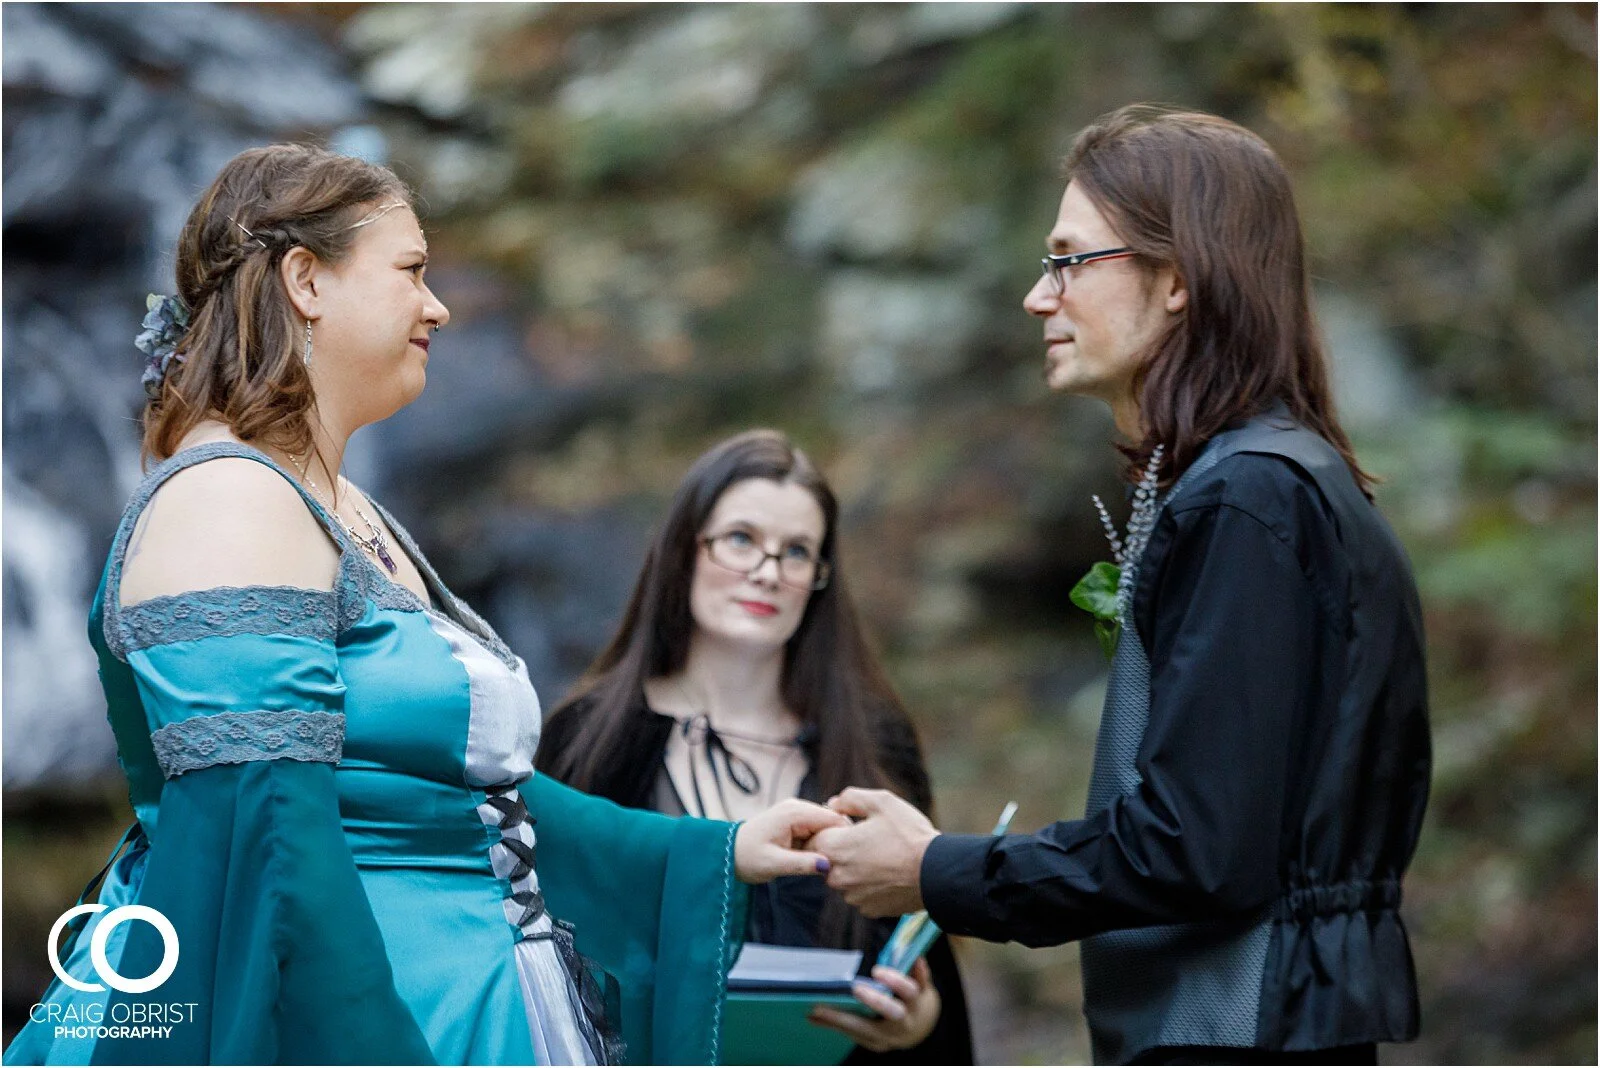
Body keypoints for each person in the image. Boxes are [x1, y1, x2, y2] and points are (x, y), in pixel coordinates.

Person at [4, 144, 847, 1067]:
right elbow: (268, 840)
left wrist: (716, 851)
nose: (437, 305)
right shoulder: (226, 501)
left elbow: (468, 798)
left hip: (473, 1003)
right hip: (361, 1026)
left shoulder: (338, 500)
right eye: (410, 271)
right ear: (305, 282)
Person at [811, 105, 1432, 1065]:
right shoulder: (1269, 482)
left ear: (1178, 278)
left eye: (1069, 261)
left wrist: (936, 869)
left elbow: (1192, 850)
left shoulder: (1245, 498)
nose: (1037, 296)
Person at [536, 429, 974, 1064]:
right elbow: (551, 939)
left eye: (796, 552)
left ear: (820, 578)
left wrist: (920, 1021)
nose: (768, 572)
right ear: (686, 550)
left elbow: (920, 939)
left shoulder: (871, 740)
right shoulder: (592, 732)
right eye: (741, 540)